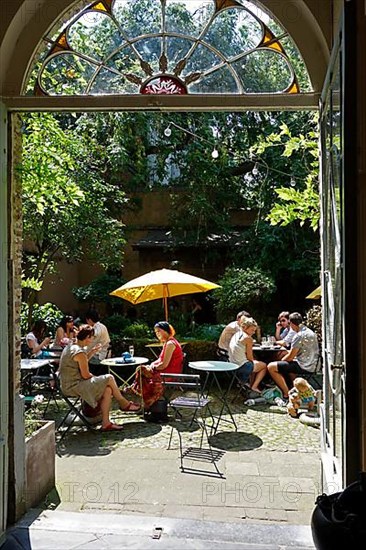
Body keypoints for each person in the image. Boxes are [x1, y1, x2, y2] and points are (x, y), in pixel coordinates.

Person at [59, 324, 140, 431]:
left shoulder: (72, 347)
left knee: (107, 389)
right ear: (87, 337)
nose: (93, 339)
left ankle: (106, 423)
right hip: (73, 386)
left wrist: (92, 352)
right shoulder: (79, 352)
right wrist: (99, 379)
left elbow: (79, 362)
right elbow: (86, 375)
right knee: (109, 378)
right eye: (92, 337)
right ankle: (124, 403)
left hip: (69, 384)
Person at [267, 312, 319, 401]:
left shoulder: (298, 336)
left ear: (291, 323)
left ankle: (287, 394)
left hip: (304, 366)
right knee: (286, 363)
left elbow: (290, 357)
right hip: (314, 364)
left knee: (271, 366)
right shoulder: (310, 332)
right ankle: (293, 388)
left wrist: (282, 360)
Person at [131, 322, 184, 409]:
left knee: (141, 371)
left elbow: (164, 365)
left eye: (159, 331)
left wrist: (153, 367)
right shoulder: (167, 342)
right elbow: (160, 359)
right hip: (165, 371)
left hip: (168, 374)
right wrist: (152, 365)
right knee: (141, 369)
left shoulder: (170, 344)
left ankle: (144, 397)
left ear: (166, 330)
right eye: (156, 332)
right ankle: (139, 394)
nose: (157, 334)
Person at [228, 316, 267, 397]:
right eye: (252, 330)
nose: (253, 332)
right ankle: (254, 387)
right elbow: (250, 358)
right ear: (245, 327)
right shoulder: (248, 338)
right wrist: (254, 361)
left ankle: (248, 385)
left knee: (255, 364)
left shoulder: (236, 334)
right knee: (264, 366)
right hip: (241, 367)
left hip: (231, 365)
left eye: (254, 331)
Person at [85, 309, 110, 374]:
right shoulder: (103, 326)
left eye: (87, 320)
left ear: (89, 320)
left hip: (97, 357)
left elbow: (89, 344)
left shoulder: (95, 330)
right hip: (105, 354)